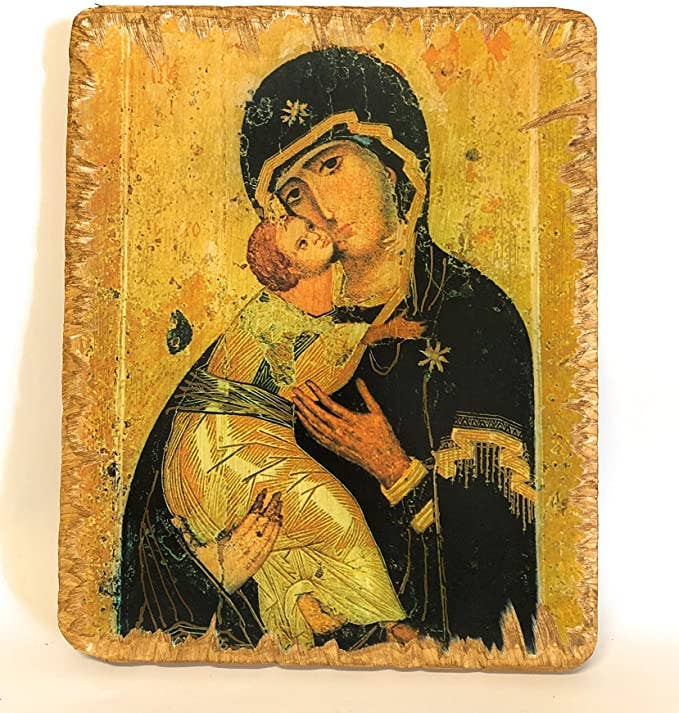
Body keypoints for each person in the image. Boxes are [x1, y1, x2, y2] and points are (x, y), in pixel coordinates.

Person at [119, 47, 537, 654]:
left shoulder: (473, 320)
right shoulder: (262, 340)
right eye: (293, 193)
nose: (318, 207)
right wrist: (220, 567)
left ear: (394, 168)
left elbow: (510, 565)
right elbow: (146, 577)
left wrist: (395, 470)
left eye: (332, 165)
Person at [161, 215, 423, 649]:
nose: (316, 234)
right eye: (303, 242)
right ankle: (391, 621)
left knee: (281, 537)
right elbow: (310, 369)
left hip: (230, 445)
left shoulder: (295, 310)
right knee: (338, 517)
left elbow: (321, 352)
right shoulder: (267, 317)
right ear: (288, 270)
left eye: (308, 229)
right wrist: (378, 334)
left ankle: (303, 604)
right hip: (221, 450)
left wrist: (373, 333)